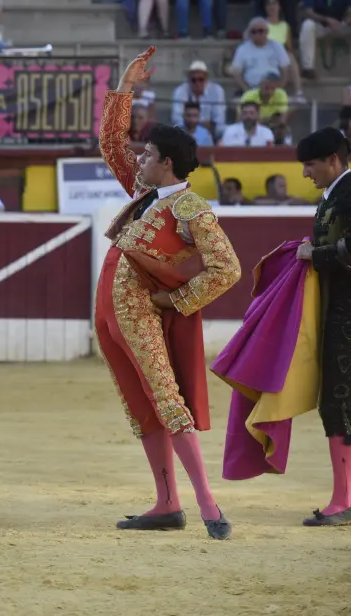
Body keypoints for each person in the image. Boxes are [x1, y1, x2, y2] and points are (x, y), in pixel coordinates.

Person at [95, 46, 242, 540]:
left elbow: (227, 268)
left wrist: (174, 302)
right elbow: (111, 142)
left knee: (166, 400)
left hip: (141, 314)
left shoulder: (191, 207)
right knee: (142, 405)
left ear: (169, 163)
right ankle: (166, 503)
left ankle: (208, 505)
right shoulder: (145, 194)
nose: (140, 157)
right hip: (111, 313)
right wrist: (124, 85)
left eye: (150, 154)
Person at [294, 127, 351, 526]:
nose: (306, 174)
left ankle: (344, 499)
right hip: (340, 309)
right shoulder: (337, 194)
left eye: (310, 165)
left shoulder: (348, 192)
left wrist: (316, 255)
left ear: (333, 159)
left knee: (339, 402)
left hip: (347, 314)